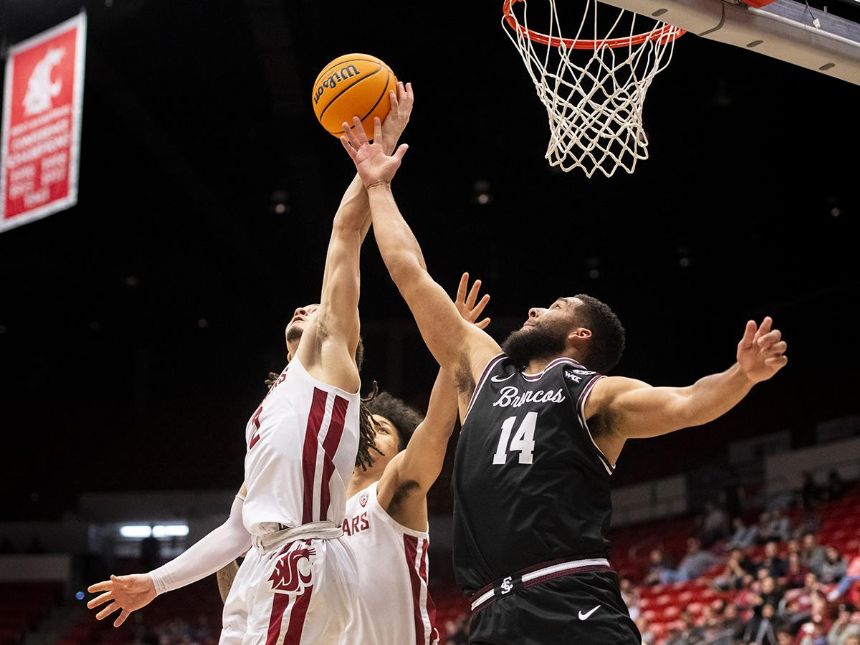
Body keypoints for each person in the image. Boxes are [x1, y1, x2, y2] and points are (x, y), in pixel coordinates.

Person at [339, 114, 789, 644]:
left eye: (553, 306)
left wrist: (742, 375)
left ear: (580, 334)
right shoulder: (483, 368)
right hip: (490, 613)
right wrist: (379, 186)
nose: (533, 309)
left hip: (571, 600)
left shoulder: (596, 394)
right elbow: (410, 273)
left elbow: (689, 403)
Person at [85, 83, 415, 643]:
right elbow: (238, 525)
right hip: (264, 560)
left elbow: (344, 236)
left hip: (303, 556)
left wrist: (373, 161)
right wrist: (157, 583)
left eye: (317, 308)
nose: (306, 306)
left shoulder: (330, 361)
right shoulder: (271, 405)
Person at [214, 272, 490, 645]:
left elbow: (436, 429)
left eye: (384, 430)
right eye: (368, 426)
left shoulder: (394, 492)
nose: (371, 433)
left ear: (400, 448)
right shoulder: (315, 512)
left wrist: (453, 348)